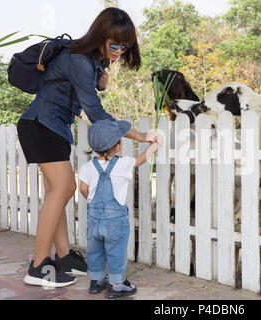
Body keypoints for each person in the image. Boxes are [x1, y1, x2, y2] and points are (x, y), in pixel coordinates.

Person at [18, 7, 163, 287]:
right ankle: (38, 266)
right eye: (115, 44)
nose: (120, 51)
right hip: (41, 125)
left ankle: (63, 257)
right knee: (64, 189)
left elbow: (84, 88)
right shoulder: (79, 60)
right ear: (100, 36)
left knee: (55, 192)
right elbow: (95, 112)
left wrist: (103, 83)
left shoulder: (93, 60)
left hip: (53, 127)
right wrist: (141, 136)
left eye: (126, 45)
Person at [78, 119, 158, 298]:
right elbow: (142, 159)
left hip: (93, 219)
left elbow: (83, 189)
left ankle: (96, 281)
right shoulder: (123, 164)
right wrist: (153, 147)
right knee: (116, 251)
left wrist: (92, 199)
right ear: (118, 145)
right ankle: (116, 285)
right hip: (115, 221)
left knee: (95, 250)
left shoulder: (87, 167)